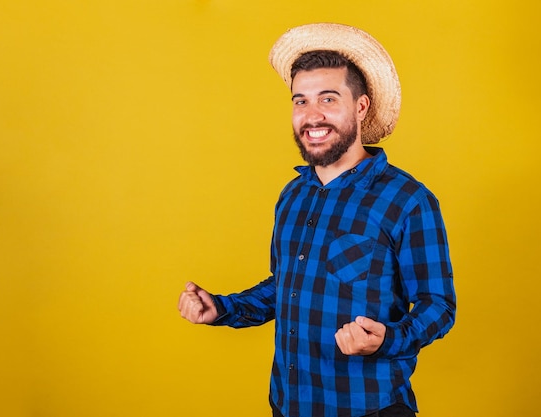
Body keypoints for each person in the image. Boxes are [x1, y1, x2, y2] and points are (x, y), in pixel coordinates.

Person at [177, 23, 456, 417]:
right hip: (288, 404)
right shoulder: (293, 196)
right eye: (301, 101)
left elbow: (439, 304)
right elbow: (285, 286)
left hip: (367, 408)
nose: (312, 115)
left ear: (361, 106)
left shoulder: (407, 200)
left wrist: (388, 339)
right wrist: (222, 308)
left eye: (328, 99)